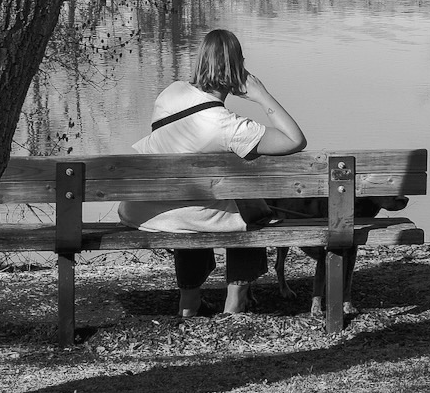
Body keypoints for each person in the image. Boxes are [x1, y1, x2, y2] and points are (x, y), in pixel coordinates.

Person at [118, 29, 306, 316]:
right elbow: (295, 140)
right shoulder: (226, 125)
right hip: (184, 214)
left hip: (141, 210)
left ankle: (189, 303)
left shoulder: (171, 93)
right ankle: (234, 305)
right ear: (238, 68)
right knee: (252, 215)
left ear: (200, 61)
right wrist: (261, 95)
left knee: (196, 207)